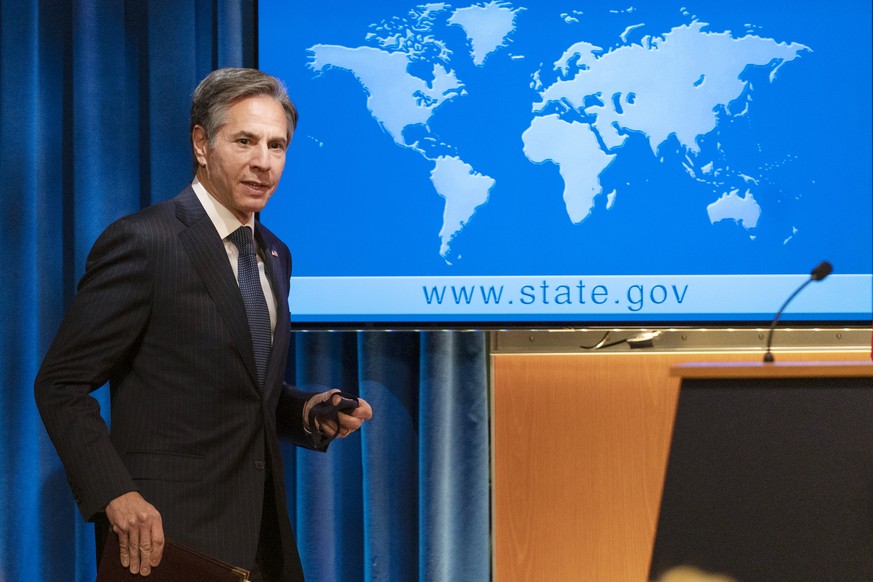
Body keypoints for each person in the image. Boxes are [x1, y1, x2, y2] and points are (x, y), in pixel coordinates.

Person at [34, 67, 372, 581]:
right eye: (245, 141)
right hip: (167, 544)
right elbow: (60, 383)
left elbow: (242, 393)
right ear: (201, 143)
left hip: (262, 542)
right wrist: (115, 495)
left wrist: (306, 412)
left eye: (277, 146)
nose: (263, 162)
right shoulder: (145, 242)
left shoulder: (276, 253)